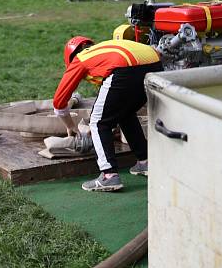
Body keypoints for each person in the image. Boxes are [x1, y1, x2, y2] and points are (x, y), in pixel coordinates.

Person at [52, 36, 163, 192]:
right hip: (155, 65)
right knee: (125, 112)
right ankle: (145, 162)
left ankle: (109, 176)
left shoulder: (79, 59)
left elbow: (59, 101)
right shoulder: (103, 49)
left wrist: (70, 126)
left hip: (124, 71)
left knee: (98, 122)